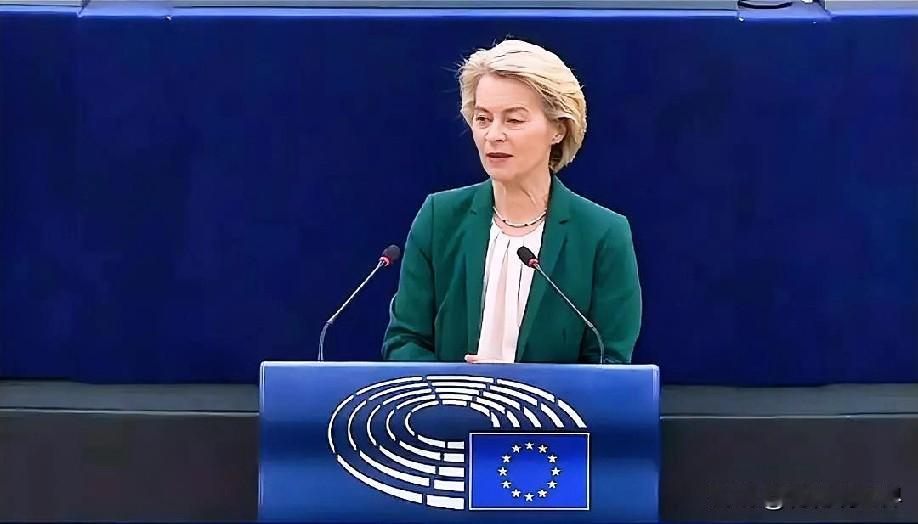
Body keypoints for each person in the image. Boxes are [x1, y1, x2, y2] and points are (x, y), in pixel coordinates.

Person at [382, 39, 641, 364]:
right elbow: (403, 342)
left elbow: (609, 362)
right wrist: (456, 385)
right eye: (482, 119)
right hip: (448, 399)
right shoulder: (439, 218)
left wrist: (518, 386)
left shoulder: (603, 234)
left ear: (558, 129)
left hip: (551, 402)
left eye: (514, 120)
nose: (493, 135)